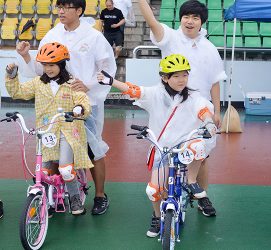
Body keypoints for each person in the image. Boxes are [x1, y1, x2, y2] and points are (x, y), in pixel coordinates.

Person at [97, 54, 218, 237]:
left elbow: (203, 109)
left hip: (185, 147)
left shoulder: (193, 97)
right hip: (163, 149)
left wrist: (209, 122)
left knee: (199, 146)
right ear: (164, 78)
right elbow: (134, 90)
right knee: (153, 191)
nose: (181, 80)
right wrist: (112, 81)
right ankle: (156, 216)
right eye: (176, 76)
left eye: (184, 75)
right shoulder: (155, 94)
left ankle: (191, 181)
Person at [15, 0, 116, 215]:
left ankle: (99, 196)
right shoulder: (52, 35)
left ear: (79, 10)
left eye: (66, 7)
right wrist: (25, 56)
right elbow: (41, 68)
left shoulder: (94, 37)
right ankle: (50, 199)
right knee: (51, 149)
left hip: (85, 102)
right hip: (56, 104)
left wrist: (88, 86)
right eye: (59, 6)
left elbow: (108, 69)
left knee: (94, 150)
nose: (60, 11)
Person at [138, 0, 227, 217]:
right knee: (166, 155)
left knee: (201, 156)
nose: (190, 21)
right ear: (181, 19)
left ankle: (201, 196)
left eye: (195, 17)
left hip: (198, 110)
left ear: (201, 22)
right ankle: (163, 207)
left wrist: (216, 111)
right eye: (186, 16)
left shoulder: (210, 49)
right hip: (171, 107)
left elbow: (215, 82)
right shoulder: (170, 37)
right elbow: (152, 21)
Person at [5, 42, 93, 215]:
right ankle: (46, 201)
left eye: (52, 65)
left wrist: (79, 109)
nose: (48, 69)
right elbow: (18, 93)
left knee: (66, 169)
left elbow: (82, 99)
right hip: (46, 132)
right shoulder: (38, 83)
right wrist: (12, 76)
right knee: (43, 171)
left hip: (68, 131)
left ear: (61, 65)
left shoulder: (72, 83)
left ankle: (75, 198)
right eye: (45, 65)